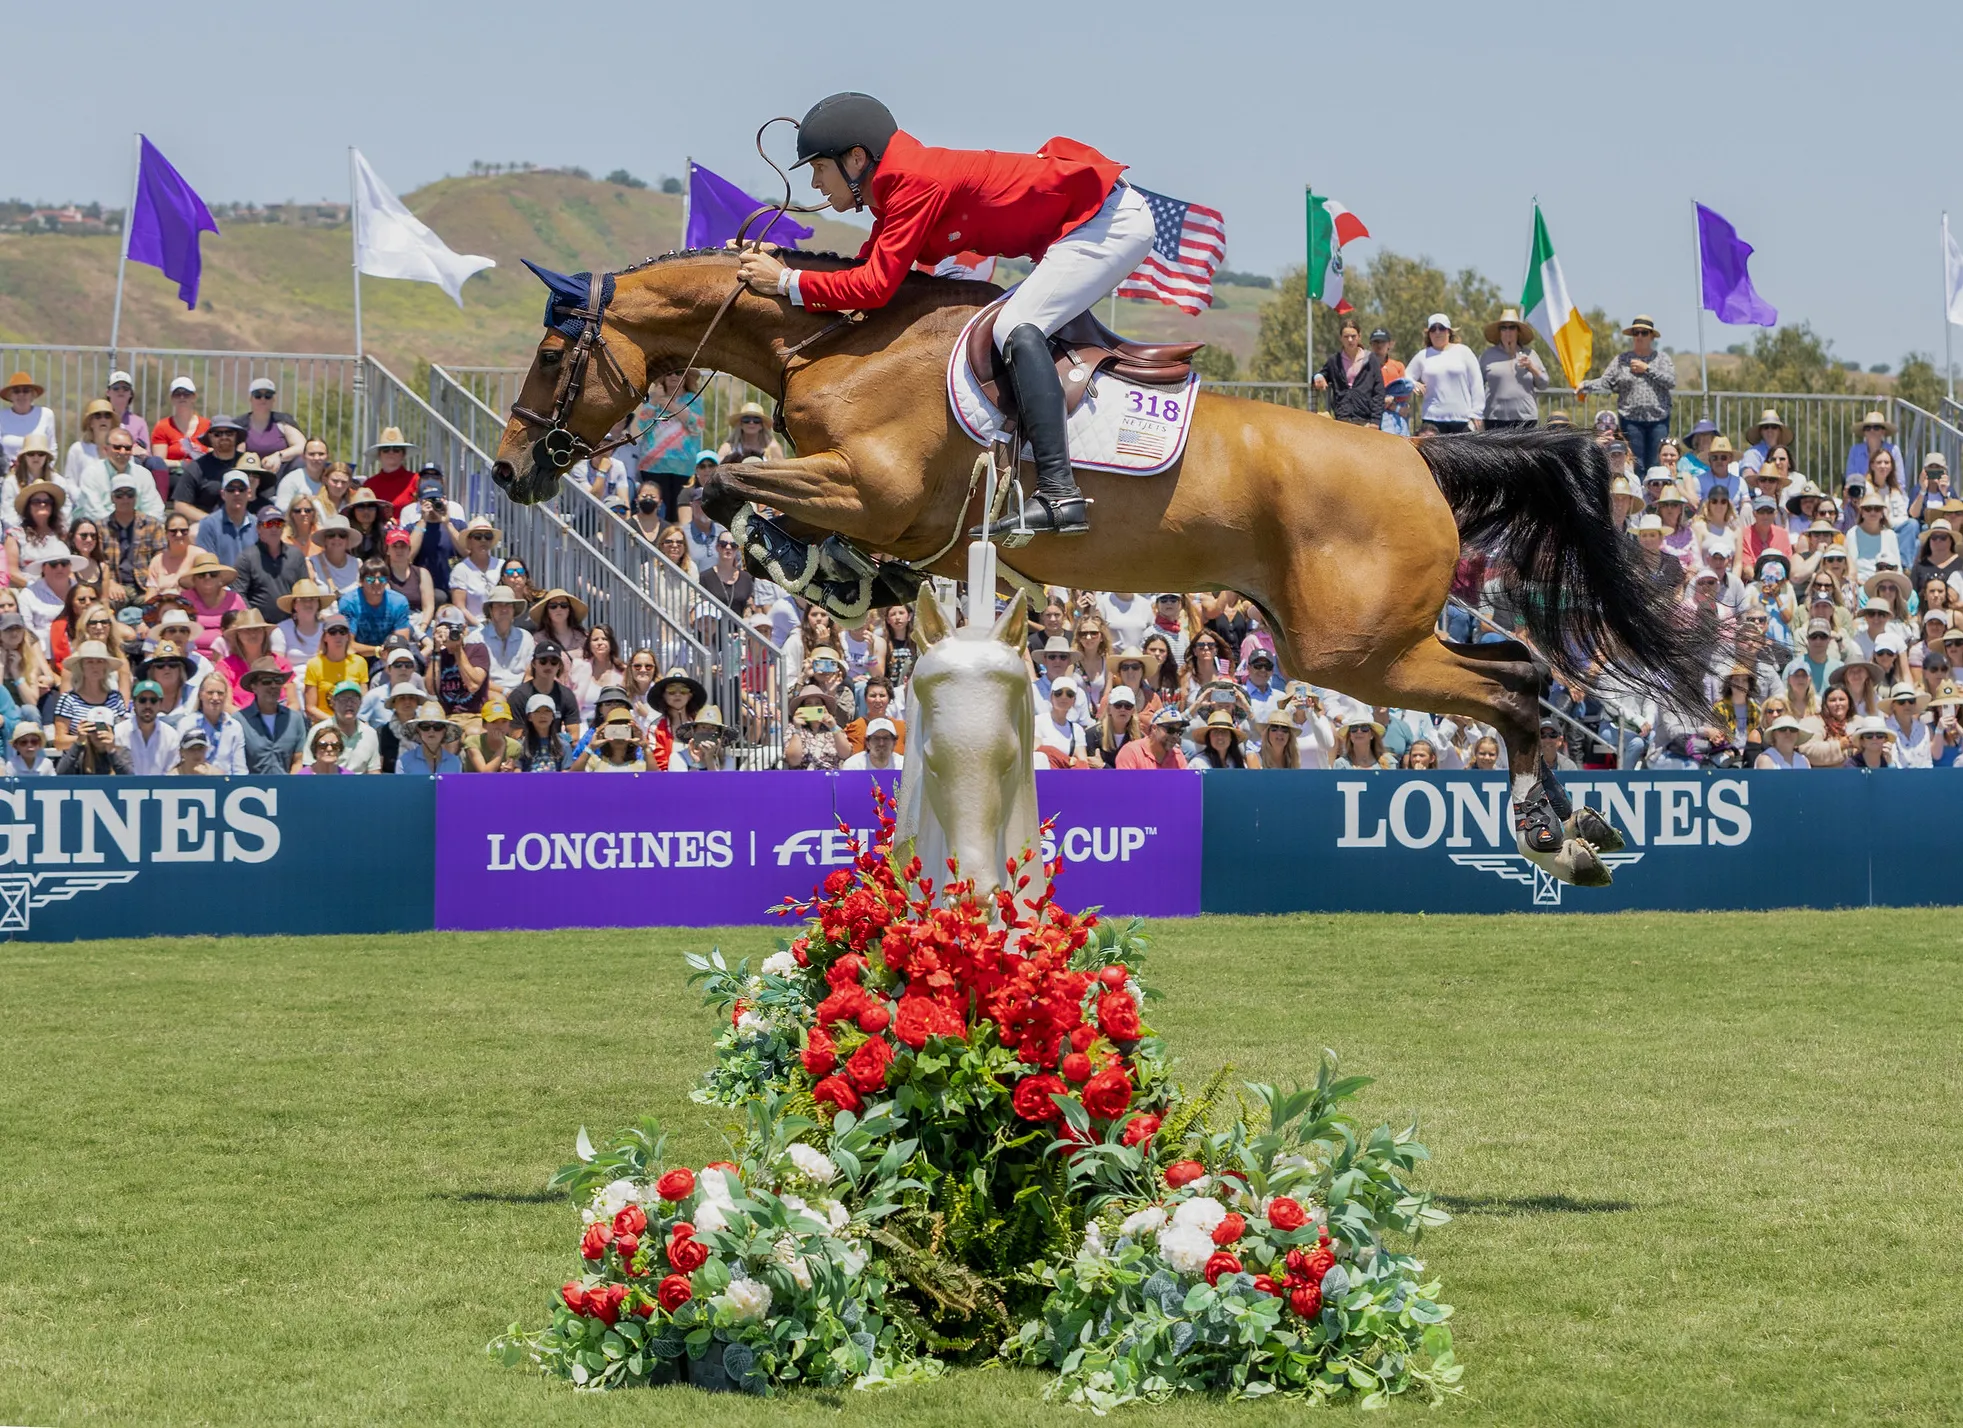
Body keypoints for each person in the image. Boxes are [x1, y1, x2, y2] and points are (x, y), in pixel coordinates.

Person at [736, 92, 1153, 539]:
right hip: (1084, 225)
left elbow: (874, 288)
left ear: (856, 159)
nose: (816, 183)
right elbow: (863, 269)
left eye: (820, 168)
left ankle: (1059, 493)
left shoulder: (914, 182)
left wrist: (785, 281)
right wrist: (780, 263)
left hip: (1107, 223)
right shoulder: (895, 188)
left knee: (1015, 326)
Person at [1578, 317, 1675, 472]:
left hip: (1659, 419)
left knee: (1655, 462)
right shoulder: (1621, 360)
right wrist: (1585, 385)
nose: (1639, 336)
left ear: (1651, 336)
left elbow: (1670, 381)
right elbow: (1606, 381)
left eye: (1644, 333)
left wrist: (1647, 369)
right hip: (1631, 419)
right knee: (1636, 461)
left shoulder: (1662, 359)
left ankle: (1654, 486)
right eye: (1636, 333)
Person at [632, 372, 708, 521]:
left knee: (680, 511)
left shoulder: (694, 399)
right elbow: (642, 425)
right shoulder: (653, 398)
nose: (674, 376)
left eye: (679, 373)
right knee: (657, 511)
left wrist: (669, 404)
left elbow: (697, 426)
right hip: (653, 465)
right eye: (668, 373)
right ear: (662, 377)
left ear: (686, 377)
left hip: (684, 466)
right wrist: (655, 401)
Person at [1403, 315, 1484, 434]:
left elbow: (1476, 382)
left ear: (1449, 331)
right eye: (1433, 329)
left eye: (1441, 328)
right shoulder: (1422, 355)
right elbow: (1405, 377)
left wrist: (1477, 412)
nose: (1437, 332)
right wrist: (1414, 384)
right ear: (1429, 334)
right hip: (1432, 420)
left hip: (1462, 419)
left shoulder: (1464, 352)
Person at [1477, 308, 1548, 429]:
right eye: (1503, 328)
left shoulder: (1530, 354)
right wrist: (1476, 412)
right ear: (1499, 332)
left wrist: (1531, 367)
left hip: (1525, 418)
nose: (1508, 331)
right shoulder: (1487, 355)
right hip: (1495, 419)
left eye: (1512, 327)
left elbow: (1544, 383)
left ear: (1518, 331)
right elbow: (1476, 385)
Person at [231, 658, 305, 773]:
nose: (273, 685)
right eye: (266, 681)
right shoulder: (239, 721)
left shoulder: (295, 719)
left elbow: (298, 760)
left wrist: (291, 782)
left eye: (278, 681)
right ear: (254, 687)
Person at [1311, 318, 1385, 426]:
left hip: (1365, 422)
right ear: (1341, 338)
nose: (1350, 340)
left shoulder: (1371, 359)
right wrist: (1318, 377)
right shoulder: (1334, 361)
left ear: (1359, 336)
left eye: (1353, 336)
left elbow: (1379, 391)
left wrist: (1375, 421)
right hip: (1342, 420)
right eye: (1346, 336)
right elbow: (1322, 374)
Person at [170, 414, 246, 517]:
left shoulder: (247, 462)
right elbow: (180, 504)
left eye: (229, 433)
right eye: (217, 434)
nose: (224, 437)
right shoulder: (197, 467)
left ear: (236, 436)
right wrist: (210, 521)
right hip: (206, 522)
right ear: (210, 437)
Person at [339, 557, 413, 659]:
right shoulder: (349, 603)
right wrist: (378, 651)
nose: (377, 583)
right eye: (370, 579)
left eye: (382, 579)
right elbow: (348, 645)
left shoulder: (399, 602)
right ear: (361, 581)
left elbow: (401, 643)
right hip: (356, 657)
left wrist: (385, 653)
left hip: (389, 656)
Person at [508, 642, 582, 738]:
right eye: (543, 661)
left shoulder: (566, 695)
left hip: (557, 746)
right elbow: (515, 736)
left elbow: (574, 735)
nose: (548, 665)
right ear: (534, 663)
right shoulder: (519, 696)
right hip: (526, 746)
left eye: (554, 661)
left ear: (559, 665)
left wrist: (557, 742)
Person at [302, 615, 368, 722]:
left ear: (347, 636)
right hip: (325, 724)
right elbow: (310, 707)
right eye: (333, 632)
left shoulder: (359, 662)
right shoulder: (314, 664)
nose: (338, 635)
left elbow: (364, 701)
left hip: (353, 722)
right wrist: (336, 723)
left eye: (342, 631)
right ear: (325, 637)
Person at [9, 475, 69, 587]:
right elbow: (11, 572)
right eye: (36, 501)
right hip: (26, 591)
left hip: (58, 590)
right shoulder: (15, 535)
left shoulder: (62, 534)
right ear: (28, 507)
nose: (42, 504)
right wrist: (36, 587)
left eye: (47, 502)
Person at [312, 679, 382, 773]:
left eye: (354, 699)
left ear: (360, 702)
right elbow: (310, 768)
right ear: (333, 702)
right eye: (343, 699)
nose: (349, 704)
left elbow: (374, 771)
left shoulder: (370, 734)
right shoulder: (318, 731)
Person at [446, 516, 503, 625]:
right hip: (473, 626)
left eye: (488, 536)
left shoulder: (501, 565)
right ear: (469, 541)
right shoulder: (460, 570)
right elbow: (459, 606)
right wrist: (479, 626)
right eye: (478, 536)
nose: (483, 540)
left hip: (502, 624)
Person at [478, 587, 534, 692]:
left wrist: (522, 695)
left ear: (514, 609)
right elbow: (475, 679)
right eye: (499, 605)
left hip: (521, 692)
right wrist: (505, 692)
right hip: (488, 693)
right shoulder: (477, 638)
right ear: (490, 610)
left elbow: (529, 673)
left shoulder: (526, 637)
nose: (504, 609)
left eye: (508, 604)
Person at [784, 682, 849, 770]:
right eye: (809, 704)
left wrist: (833, 727)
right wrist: (797, 730)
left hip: (829, 775)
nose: (813, 707)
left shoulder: (834, 728)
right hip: (803, 776)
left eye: (817, 703)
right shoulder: (792, 729)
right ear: (802, 707)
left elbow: (845, 754)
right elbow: (793, 761)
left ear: (824, 707)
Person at [0, 371, 56, 471]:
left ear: (32, 395)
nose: (21, 394)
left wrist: (44, 473)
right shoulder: (1, 416)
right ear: (10, 396)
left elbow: (52, 448)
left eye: (26, 391)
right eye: (16, 391)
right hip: (7, 473)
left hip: (39, 473)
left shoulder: (46, 414)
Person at [63, 399, 121, 489]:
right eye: (97, 416)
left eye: (107, 415)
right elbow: (70, 482)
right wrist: (80, 496)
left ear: (112, 422)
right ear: (90, 423)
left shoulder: (121, 449)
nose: (103, 419)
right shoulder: (77, 449)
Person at [55, 709, 132, 775]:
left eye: (102, 727)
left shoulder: (123, 752)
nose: (98, 733)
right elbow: (61, 775)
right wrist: (78, 743)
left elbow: (131, 779)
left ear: (112, 730)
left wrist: (112, 751)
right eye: (93, 728)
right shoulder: (79, 752)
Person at [395, 702, 463, 774]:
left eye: (438, 726)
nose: (431, 731)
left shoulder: (455, 762)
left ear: (445, 731)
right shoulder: (404, 761)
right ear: (418, 730)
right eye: (425, 726)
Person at [363, 428, 420, 514]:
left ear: (403, 454)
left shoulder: (416, 480)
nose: (391, 452)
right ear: (379, 454)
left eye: (396, 449)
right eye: (385, 449)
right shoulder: (369, 485)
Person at [1115, 706, 1189, 769]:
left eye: (1179, 731)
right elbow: (1124, 781)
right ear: (1154, 728)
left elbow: (1185, 781)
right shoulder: (1131, 752)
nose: (1175, 736)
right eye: (1171, 730)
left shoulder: (1177, 756)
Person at [517, 693, 575, 772]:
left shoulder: (564, 745)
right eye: (537, 711)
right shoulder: (520, 746)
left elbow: (566, 774)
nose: (542, 715)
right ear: (529, 717)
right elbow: (517, 773)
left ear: (553, 716)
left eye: (547, 711)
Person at [274, 438, 332, 512]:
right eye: (311, 454)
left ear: (328, 457)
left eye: (321, 454)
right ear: (303, 457)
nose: (316, 458)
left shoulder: (334, 481)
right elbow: (281, 508)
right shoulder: (291, 480)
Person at [717, 401, 786, 464]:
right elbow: (717, 469)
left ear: (762, 425)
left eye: (756, 420)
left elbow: (781, 470)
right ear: (741, 424)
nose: (751, 422)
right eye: (746, 419)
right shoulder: (728, 448)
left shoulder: (772, 448)